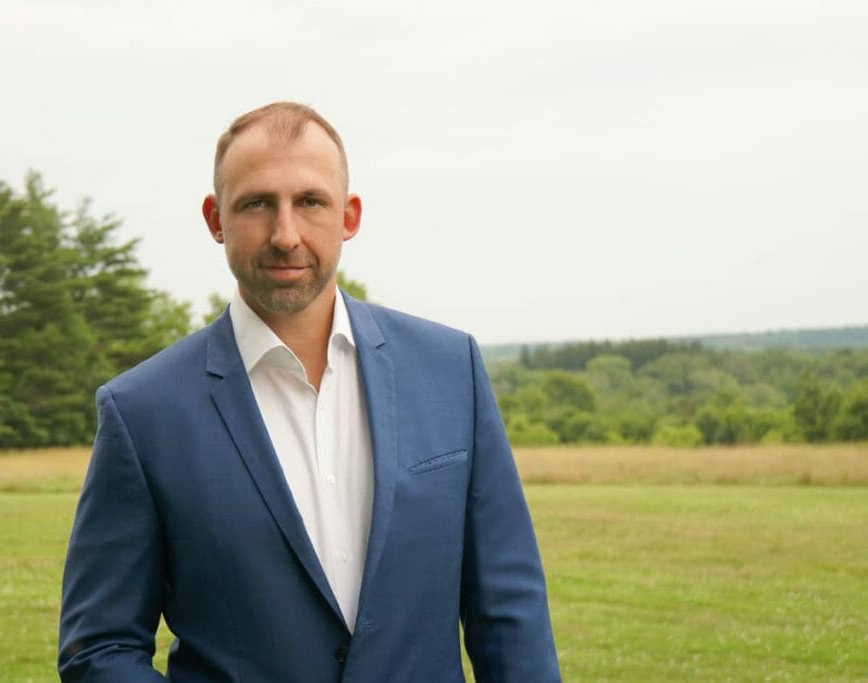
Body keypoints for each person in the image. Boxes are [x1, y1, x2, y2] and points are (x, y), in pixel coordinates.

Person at [58, 102, 561, 681]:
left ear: (349, 216)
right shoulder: (142, 412)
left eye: (310, 202)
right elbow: (99, 650)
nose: (285, 235)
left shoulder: (451, 371)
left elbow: (510, 616)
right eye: (256, 204)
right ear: (215, 219)